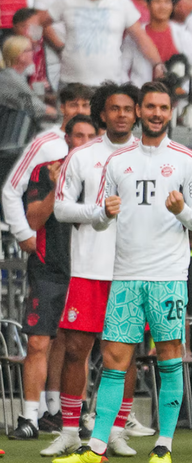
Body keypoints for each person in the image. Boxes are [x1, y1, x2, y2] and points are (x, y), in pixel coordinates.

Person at [52, 81, 192, 463]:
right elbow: (103, 221)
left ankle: (165, 444)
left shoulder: (187, 159)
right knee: (114, 359)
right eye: (150, 107)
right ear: (139, 111)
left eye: (163, 107)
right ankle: (97, 446)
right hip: (125, 275)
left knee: (170, 355)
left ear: (171, 113)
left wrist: (181, 212)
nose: (156, 113)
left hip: (168, 275)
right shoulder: (117, 162)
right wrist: (103, 213)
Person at [45, 82, 152, 458]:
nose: (121, 114)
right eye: (114, 108)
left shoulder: (150, 156)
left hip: (134, 270)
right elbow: (61, 209)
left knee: (124, 354)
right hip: (90, 268)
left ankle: (116, 430)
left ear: (137, 112)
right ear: (101, 114)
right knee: (76, 349)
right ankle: (71, 430)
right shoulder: (82, 155)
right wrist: (98, 212)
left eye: (128, 108)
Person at [5, 115, 95, 442]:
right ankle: (29, 417)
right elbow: (33, 218)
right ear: (67, 138)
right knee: (39, 341)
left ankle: (67, 414)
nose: (83, 141)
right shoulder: (45, 170)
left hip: (87, 269)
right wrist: (58, 187)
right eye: (78, 135)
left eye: (89, 136)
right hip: (48, 266)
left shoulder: (104, 172)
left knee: (76, 347)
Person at [3, 83, 91, 259]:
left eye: (84, 105)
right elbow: (11, 190)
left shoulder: (99, 141)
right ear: (62, 107)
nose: (79, 110)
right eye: (74, 105)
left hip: (87, 249)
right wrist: (24, 234)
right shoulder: (44, 143)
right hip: (51, 251)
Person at [39, 0, 166, 86]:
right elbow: (38, 21)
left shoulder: (122, 3)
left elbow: (141, 38)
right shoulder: (66, 2)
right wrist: (59, 46)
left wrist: (158, 64)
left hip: (108, 85)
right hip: (71, 82)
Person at [120, 0, 192, 88]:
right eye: (157, 2)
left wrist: (184, 89)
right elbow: (121, 69)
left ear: (172, 6)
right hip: (141, 96)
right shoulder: (136, 36)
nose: (162, 7)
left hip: (176, 99)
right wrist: (132, 93)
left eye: (167, 2)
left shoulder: (183, 35)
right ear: (148, 5)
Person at [0, 35, 54, 120]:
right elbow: (41, 109)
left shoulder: (12, 75)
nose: (33, 52)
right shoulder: (13, 79)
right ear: (20, 55)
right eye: (30, 50)